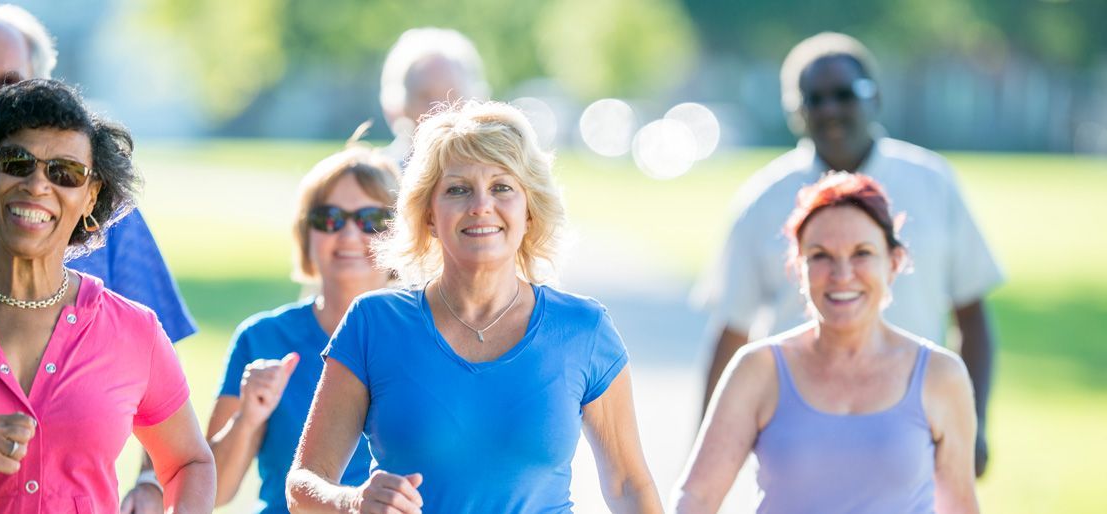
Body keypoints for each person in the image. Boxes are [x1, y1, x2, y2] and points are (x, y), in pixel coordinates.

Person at [285, 101, 661, 513]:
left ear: (529, 209)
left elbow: (628, 485)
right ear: (429, 214)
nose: (481, 205)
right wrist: (352, 501)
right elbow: (303, 485)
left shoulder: (584, 329)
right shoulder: (373, 323)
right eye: (458, 189)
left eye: (502, 187)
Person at [0, 3, 197, 509]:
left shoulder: (128, 292)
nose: (38, 185)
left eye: (64, 173)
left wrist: (151, 484)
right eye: (16, 163)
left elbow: (175, 428)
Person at [693, 32, 1001, 475]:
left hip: (913, 429)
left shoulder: (933, 183)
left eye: (844, 94)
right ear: (795, 112)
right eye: (813, 99)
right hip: (797, 437)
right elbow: (730, 331)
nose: (830, 110)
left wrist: (973, 422)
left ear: (874, 98)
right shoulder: (762, 200)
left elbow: (971, 316)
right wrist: (706, 452)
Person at [674, 173, 980, 513]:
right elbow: (696, 498)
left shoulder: (940, 374)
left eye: (862, 253)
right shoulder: (759, 369)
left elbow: (960, 506)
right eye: (820, 255)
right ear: (797, 269)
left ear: (893, 263)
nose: (841, 274)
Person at [208, 137, 399, 514]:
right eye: (329, 219)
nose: (348, 235)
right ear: (305, 234)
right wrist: (247, 419)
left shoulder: (429, 334)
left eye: (371, 221)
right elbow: (211, 493)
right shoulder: (262, 338)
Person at [379, 27, 490, 165]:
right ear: (400, 105)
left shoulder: (492, 172)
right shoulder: (380, 177)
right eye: (424, 96)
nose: (440, 109)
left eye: (452, 95)